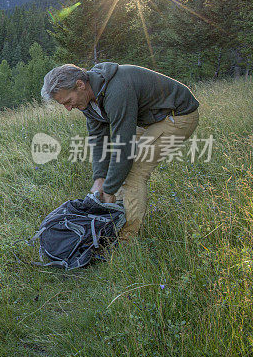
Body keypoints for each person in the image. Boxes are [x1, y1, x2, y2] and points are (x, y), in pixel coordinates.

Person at [40, 62, 200, 241]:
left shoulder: (117, 91)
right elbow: (99, 139)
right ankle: (116, 220)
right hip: (153, 119)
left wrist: (108, 190)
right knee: (115, 174)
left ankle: (125, 240)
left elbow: (124, 149)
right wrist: (99, 178)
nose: (69, 108)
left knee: (133, 172)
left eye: (69, 101)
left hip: (178, 115)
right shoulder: (87, 99)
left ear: (80, 84)